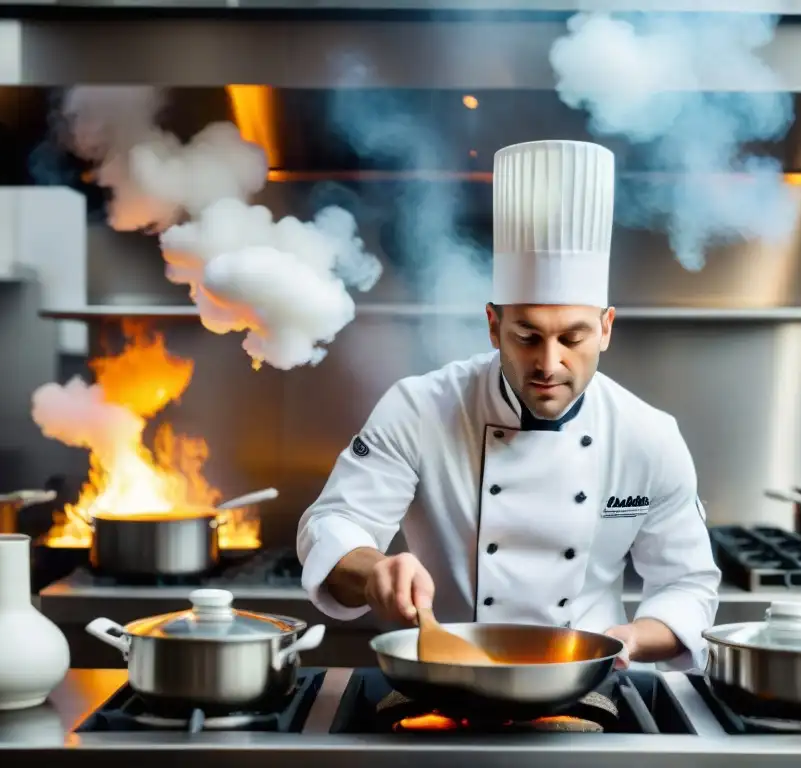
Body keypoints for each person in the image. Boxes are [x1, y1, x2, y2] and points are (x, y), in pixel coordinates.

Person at [297, 139, 721, 671]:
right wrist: (374, 569)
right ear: (494, 325)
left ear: (606, 328)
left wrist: (632, 640)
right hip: (447, 682)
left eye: (573, 338)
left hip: (591, 684)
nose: (549, 363)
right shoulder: (420, 409)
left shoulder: (648, 435)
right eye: (527, 336)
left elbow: (687, 586)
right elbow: (335, 523)